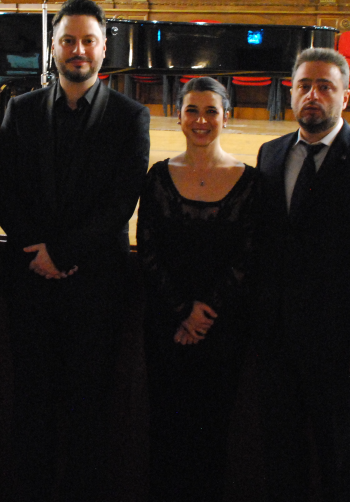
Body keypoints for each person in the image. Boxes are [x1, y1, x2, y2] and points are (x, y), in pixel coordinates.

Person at [0, 0, 151, 502]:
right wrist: (35, 252)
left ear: (103, 49)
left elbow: (121, 201)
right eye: (68, 40)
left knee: (90, 410)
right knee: (31, 405)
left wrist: (60, 253)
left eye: (88, 41)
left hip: (95, 286)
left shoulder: (131, 117)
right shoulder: (21, 109)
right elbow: (1, 187)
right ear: (53, 47)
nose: (78, 50)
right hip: (31, 283)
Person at [254, 47, 350, 502]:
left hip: (340, 346)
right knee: (281, 461)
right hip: (278, 341)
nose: (313, 96)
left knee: (340, 464)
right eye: (304, 86)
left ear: (345, 97)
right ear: (291, 92)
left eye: (325, 87)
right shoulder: (271, 153)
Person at [136, 77, 258, 502]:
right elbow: (148, 251)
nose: (201, 120)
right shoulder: (157, 176)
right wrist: (182, 312)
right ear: (178, 116)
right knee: (165, 428)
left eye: (211, 111)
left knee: (213, 433)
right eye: (192, 110)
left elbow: (247, 258)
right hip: (166, 328)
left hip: (222, 332)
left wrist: (204, 314)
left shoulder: (251, 182)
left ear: (227, 117)